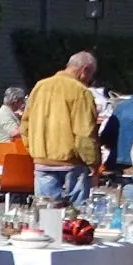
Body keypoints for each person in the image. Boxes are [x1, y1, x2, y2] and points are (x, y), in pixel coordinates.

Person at [24, 52, 101, 203]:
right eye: (90, 74)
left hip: (42, 160)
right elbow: (84, 132)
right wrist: (93, 162)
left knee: (47, 214)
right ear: (84, 69)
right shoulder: (81, 91)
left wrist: (34, 149)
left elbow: (25, 125)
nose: (89, 80)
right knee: (76, 216)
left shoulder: (40, 87)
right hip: (72, 162)